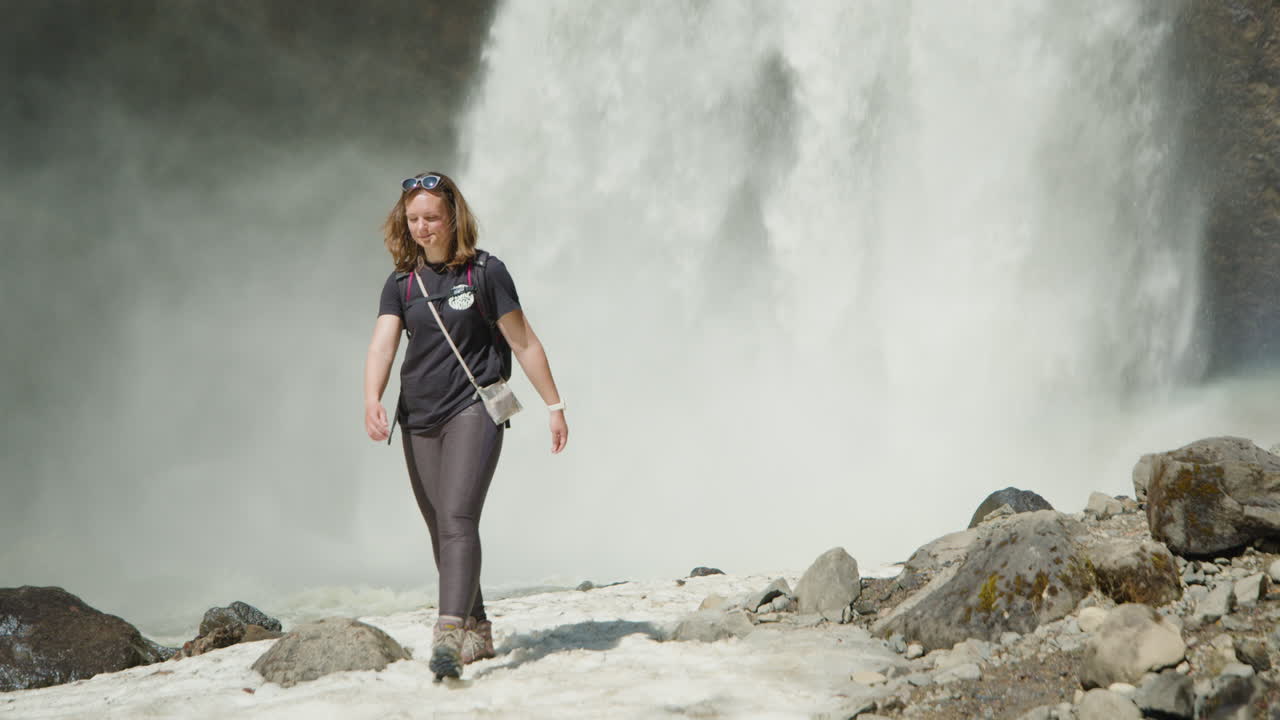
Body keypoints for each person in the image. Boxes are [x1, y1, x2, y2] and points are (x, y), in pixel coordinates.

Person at [363, 171, 568, 680]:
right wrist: (372, 396)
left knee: (457, 518)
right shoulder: (401, 283)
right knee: (441, 527)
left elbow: (524, 343)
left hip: (475, 407)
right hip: (419, 416)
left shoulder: (485, 272)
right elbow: (383, 344)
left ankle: (449, 635)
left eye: (432, 218)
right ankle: (478, 628)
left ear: (455, 218)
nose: (423, 228)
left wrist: (554, 405)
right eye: (413, 219)